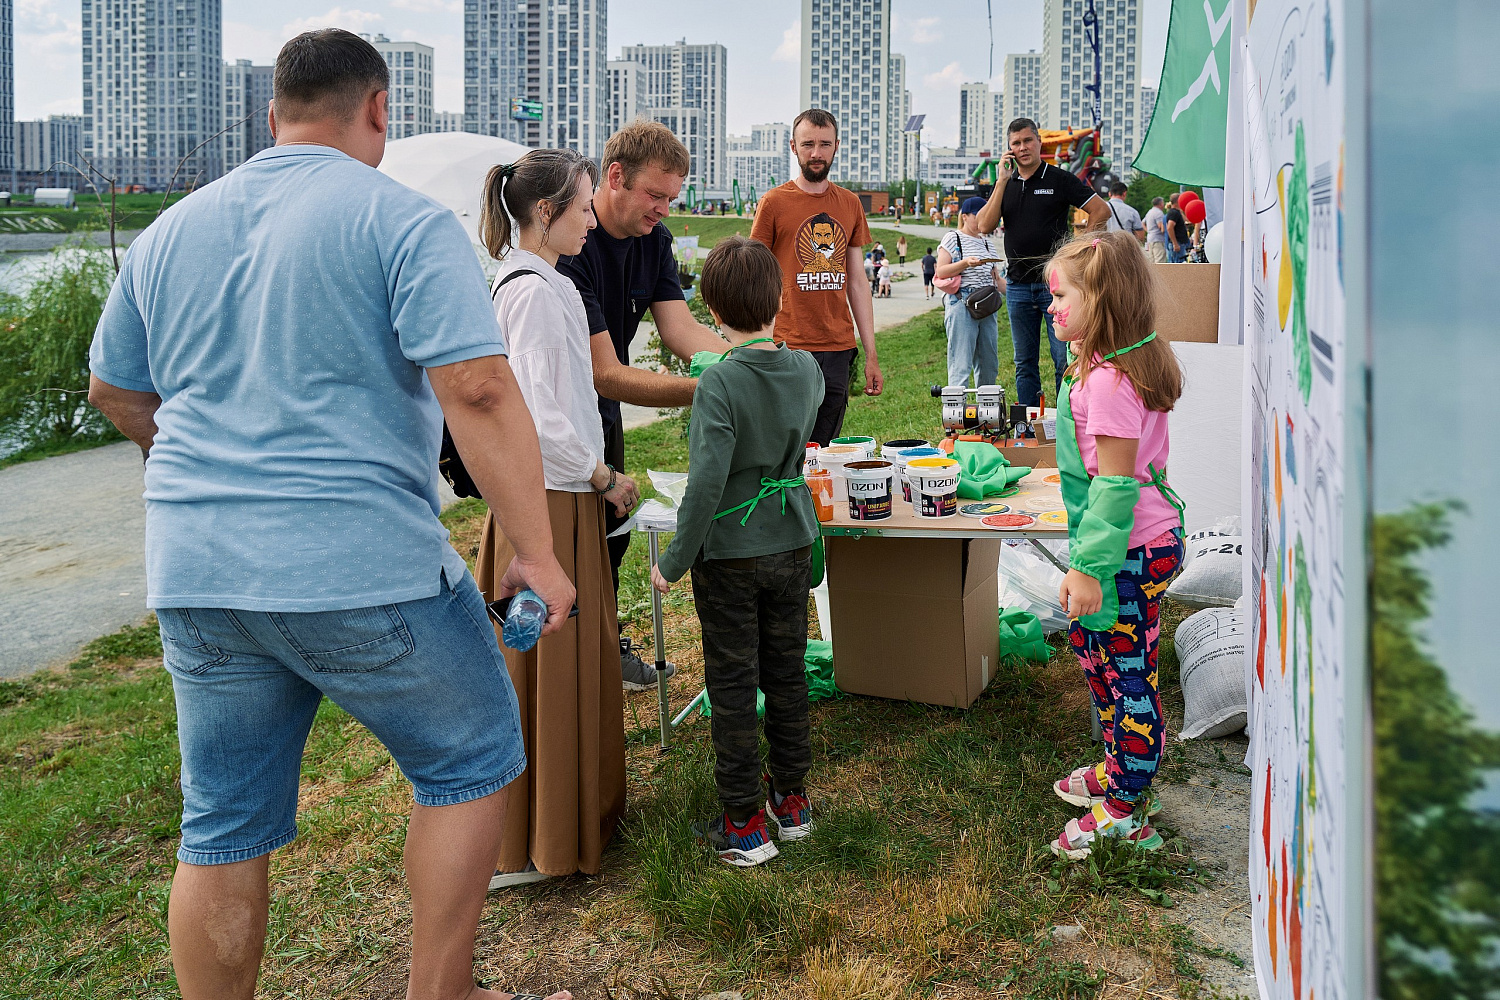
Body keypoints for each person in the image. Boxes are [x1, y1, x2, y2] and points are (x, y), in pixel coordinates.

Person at [85, 29, 573, 1000]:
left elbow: (115, 390)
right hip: (362, 565)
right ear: (380, 109)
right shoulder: (402, 222)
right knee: (472, 755)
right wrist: (536, 551)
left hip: (198, 570)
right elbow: (477, 390)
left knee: (222, 821)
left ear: (273, 117)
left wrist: (194, 472)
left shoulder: (171, 230)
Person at [473, 149, 633, 889]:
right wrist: (601, 477)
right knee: (546, 665)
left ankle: (564, 819)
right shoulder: (533, 293)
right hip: (552, 504)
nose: (592, 215)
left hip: (558, 498)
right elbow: (537, 416)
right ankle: (541, 833)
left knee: (560, 661)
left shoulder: (547, 283)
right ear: (546, 213)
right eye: (582, 204)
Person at [648, 236, 823, 867]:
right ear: (779, 300)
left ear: (711, 314)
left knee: (731, 682)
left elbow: (706, 483)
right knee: (786, 674)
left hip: (731, 554)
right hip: (791, 542)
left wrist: (673, 561)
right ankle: (793, 801)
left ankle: (744, 821)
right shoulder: (805, 369)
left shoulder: (718, 383)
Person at [555, 120, 727, 689]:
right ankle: (571, 664)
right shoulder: (571, 246)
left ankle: (603, 647)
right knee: (566, 545)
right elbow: (605, 374)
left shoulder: (653, 241)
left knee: (613, 532)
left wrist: (747, 358)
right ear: (614, 178)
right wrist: (713, 388)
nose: (662, 210)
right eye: (654, 195)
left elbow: (680, 330)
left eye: (671, 198)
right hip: (558, 417)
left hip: (603, 414)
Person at [1043, 231, 1186, 859]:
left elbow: (1116, 487)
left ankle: (1128, 807)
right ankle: (1117, 768)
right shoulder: (1115, 361)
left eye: (1061, 295)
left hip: (1123, 550)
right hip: (1125, 546)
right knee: (1097, 649)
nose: (1052, 307)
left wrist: (1089, 570)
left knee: (1126, 673)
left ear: (1099, 301)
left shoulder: (1107, 380)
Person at [750, 108, 883, 446]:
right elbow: (751, 277)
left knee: (823, 449)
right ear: (793, 147)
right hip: (787, 346)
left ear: (836, 146)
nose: (816, 153)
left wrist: (871, 354)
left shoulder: (850, 204)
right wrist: (754, 343)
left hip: (838, 347)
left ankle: (814, 500)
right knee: (784, 448)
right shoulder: (774, 203)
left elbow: (856, 282)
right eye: (808, 144)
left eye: (824, 144)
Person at [975, 117, 1111, 408]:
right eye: (1016, 143)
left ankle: (1067, 417)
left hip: (1058, 289)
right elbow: (984, 225)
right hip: (1018, 286)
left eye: (1027, 140)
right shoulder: (1005, 184)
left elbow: (1100, 210)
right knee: (1024, 362)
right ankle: (1029, 424)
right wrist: (1000, 181)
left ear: (1038, 142)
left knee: (1064, 358)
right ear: (1009, 149)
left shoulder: (1058, 178)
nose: (1023, 147)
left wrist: (1079, 251)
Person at [935, 196, 1005, 389]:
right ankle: (956, 412)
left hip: (988, 304)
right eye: (978, 215)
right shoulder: (953, 238)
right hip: (962, 303)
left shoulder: (987, 243)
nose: (983, 219)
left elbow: (997, 280)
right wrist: (965, 263)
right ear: (965, 216)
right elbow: (941, 271)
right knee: (961, 361)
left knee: (989, 362)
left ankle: (987, 411)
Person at [1165, 194, 1189, 263]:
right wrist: (1175, 243)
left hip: (1180, 242)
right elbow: (1170, 227)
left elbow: (1186, 220)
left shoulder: (1177, 212)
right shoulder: (1174, 213)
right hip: (1178, 243)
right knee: (1178, 263)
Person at [1143, 197, 1167, 263]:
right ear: (1160, 204)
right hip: (1158, 239)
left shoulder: (1149, 212)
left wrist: (1148, 230)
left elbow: (1142, 223)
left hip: (1150, 238)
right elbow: (1161, 226)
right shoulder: (1159, 213)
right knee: (1160, 260)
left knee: (1152, 260)